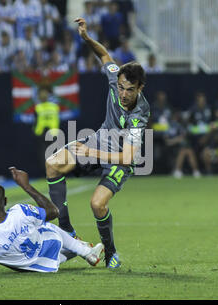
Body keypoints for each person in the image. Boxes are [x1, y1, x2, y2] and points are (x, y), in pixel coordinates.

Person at [45, 17, 150, 269]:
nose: (124, 94)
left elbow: (129, 158)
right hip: (98, 141)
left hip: (119, 160)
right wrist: (86, 37)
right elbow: (104, 55)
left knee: (97, 204)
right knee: (53, 164)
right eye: (122, 88)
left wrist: (90, 151)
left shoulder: (140, 113)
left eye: (130, 90)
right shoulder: (115, 78)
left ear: (140, 88)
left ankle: (111, 251)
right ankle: (68, 232)